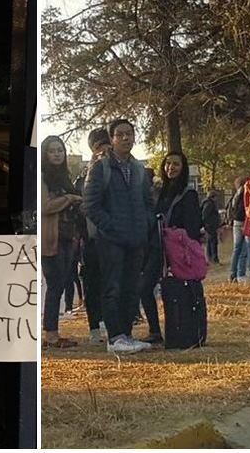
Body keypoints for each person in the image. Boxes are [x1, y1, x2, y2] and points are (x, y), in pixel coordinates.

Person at [84, 119, 155, 354]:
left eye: (129, 134)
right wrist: (111, 226)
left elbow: (147, 202)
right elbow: (90, 205)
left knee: (131, 288)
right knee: (112, 287)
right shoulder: (101, 168)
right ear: (112, 139)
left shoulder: (139, 169)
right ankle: (115, 337)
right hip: (111, 240)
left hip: (136, 239)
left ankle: (127, 334)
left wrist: (145, 225)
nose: (126, 138)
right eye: (120, 134)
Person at [144, 151, 202, 343]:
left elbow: (192, 227)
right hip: (158, 249)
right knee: (144, 288)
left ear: (183, 167)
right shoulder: (160, 192)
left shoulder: (188, 194)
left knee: (178, 291)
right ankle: (155, 330)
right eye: (168, 163)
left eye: (176, 164)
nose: (171, 167)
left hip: (177, 252)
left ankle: (180, 330)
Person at [40, 135, 82, 348]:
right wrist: (70, 199)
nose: (57, 154)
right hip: (51, 238)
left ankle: (53, 332)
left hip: (68, 237)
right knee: (55, 285)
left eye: (60, 150)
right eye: (52, 150)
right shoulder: (43, 177)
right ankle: (50, 334)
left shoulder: (64, 176)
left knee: (62, 283)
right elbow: (45, 206)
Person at [77, 127, 112, 344]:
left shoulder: (117, 172)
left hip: (112, 238)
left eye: (107, 146)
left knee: (112, 283)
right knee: (92, 284)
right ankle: (94, 327)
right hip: (91, 240)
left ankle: (110, 324)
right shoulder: (83, 179)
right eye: (100, 147)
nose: (105, 151)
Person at [226, 176, 250, 282]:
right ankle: (241, 273)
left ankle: (232, 273)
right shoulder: (246, 192)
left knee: (236, 249)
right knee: (244, 250)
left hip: (236, 222)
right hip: (244, 222)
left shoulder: (235, 195)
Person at [201, 190, 222, 264]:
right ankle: (214, 259)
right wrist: (209, 224)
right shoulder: (209, 204)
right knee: (213, 242)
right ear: (213, 197)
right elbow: (205, 215)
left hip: (209, 226)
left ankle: (211, 258)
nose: (217, 199)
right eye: (216, 197)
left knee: (210, 242)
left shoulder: (208, 203)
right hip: (210, 226)